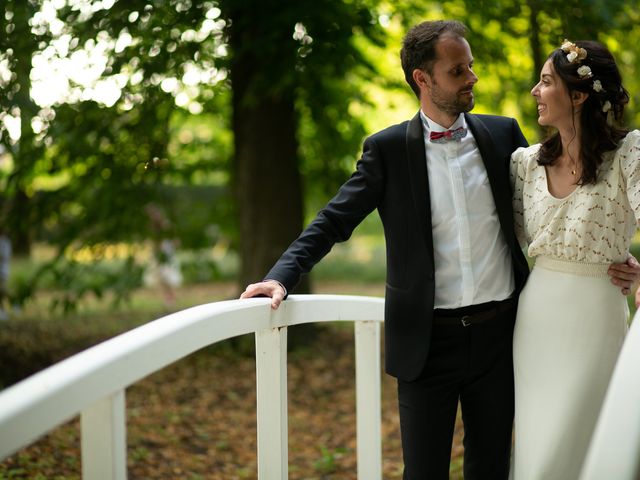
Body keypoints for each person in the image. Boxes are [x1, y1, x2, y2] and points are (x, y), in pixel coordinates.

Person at [240, 22, 637, 479]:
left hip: (502, 335)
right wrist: (282, 275)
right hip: (426, 342)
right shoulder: (387, 151)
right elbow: (333, 220)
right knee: (424, 471)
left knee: (491, 467)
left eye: (470, 67)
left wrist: (619, 260)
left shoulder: (505, 139)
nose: (471, 78)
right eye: (457, 71)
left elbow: (570, 210)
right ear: (422, 80)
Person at [510, 39, 640, 479]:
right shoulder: (525, 163)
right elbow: (507, 243)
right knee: (539, 447)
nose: (535, 91)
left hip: (596, 312)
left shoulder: (629, 155)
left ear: (579, 95)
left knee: (585, 441)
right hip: (537, 316)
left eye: (546, 82)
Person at [0, 227, 11, 321]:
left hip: (2, 271)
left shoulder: (5, 243)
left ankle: (3, 311)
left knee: (2, 291)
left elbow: (5, 257)